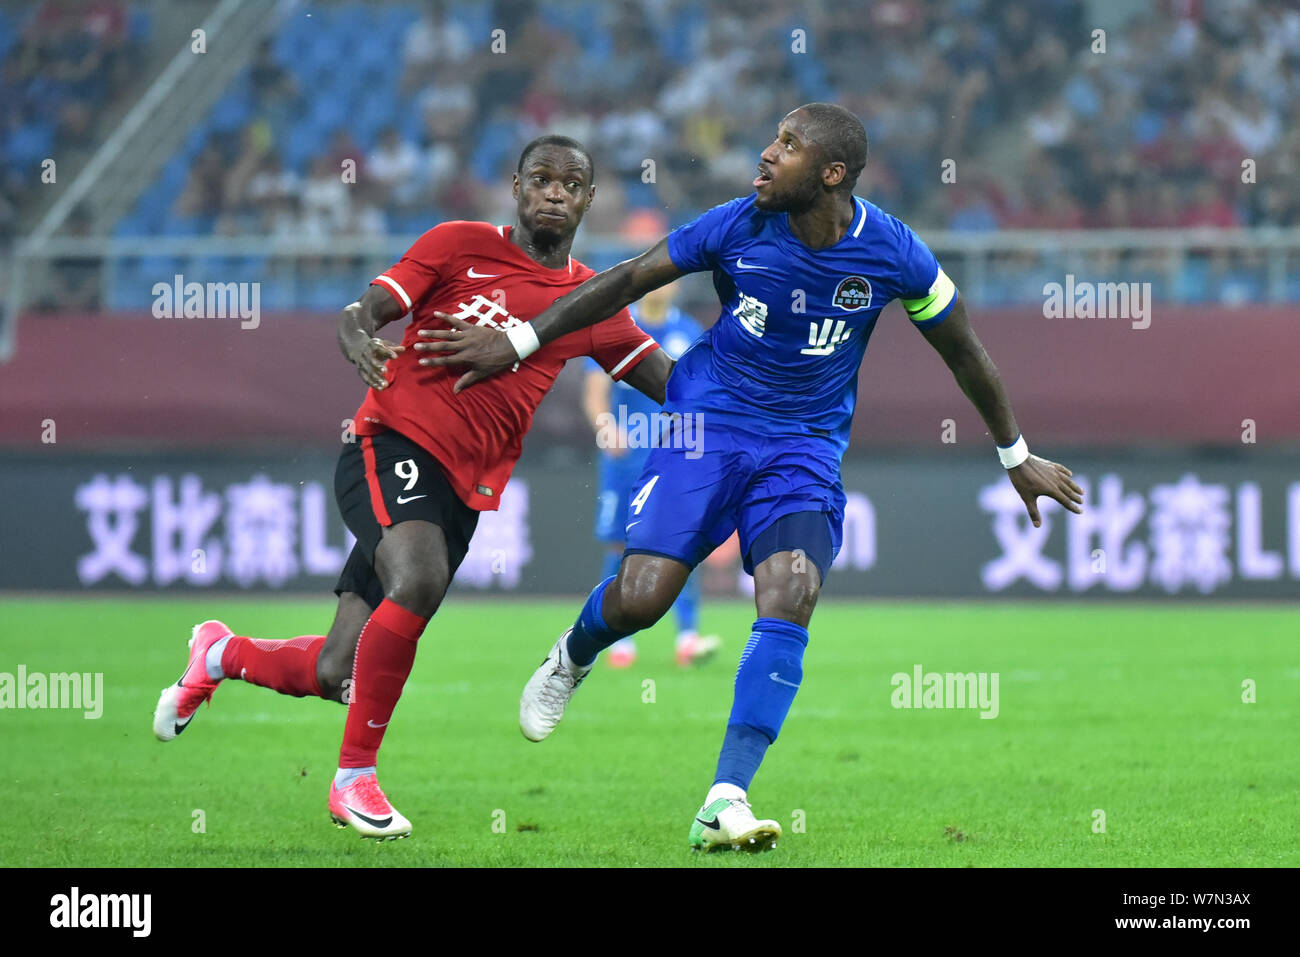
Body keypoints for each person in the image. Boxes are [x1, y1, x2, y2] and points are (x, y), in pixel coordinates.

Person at [418, 103, 1086, 853]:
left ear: (831, 174)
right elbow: (630, 277)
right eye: (773, 138)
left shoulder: (895, 254)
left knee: (792, 590)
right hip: (710, 425)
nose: (767, 154)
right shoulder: (735, 225)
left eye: (789, 146)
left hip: (804, 447)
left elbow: (963, 350)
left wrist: (1014, 453)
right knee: (642, 598)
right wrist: (520, 338)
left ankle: (724, 796)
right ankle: (572, 654)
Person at [152, 135, 673, 841]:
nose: (555, 192)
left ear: (586, 199)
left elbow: (673, 386)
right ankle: (352, 781)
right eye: (541, 179)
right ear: (516, 186)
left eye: (570, 184)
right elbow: (363, 309)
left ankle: (217, 653)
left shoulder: (590, 303)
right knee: (419, 575)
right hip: (389, 442)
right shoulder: (458, 242)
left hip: (463, 491)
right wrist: (359, 332)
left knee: (339, 668)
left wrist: (756, 398)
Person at [581, 280, 719, 668]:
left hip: (675, 458)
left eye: (672, 281)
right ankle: (617, 640)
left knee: (685, 544)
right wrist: (606, 426)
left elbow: (704, 392)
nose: (664, 287)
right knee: (620, 547)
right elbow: (595, 391)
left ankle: (688, 637)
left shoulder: (688, 331)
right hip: (626, 458)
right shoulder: (618, 327)